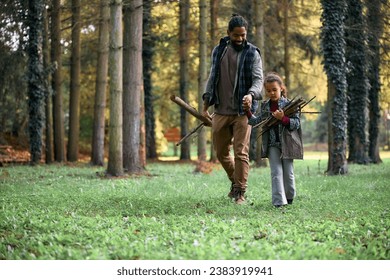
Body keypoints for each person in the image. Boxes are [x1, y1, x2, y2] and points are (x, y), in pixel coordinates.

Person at [202, 14, 263, 204]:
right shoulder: (219, 51)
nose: (240, 39)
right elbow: (212, 78)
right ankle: (235, 183)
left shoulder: (253, 53)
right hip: (221, 110)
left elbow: (258, 80)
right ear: (229, 33)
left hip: (243, 112)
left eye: (243, 35)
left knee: (241, 153)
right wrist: (205, 106)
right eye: (236, 35)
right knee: (220, 152)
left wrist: (251, 95)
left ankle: (240, 193)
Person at [248, 72, 303, 207]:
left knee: (288, 173)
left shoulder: (290, 104)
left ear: (281, 88)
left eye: (274, 90)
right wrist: (247, 111)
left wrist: (282, 118)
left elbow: (296, 123)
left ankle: (289, 198)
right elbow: (256, 121)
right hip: (272, 144)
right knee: (276, 172)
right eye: (268, 91)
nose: (271, 93)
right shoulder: (265, 106)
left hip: (287, 143)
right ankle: (279, 202)